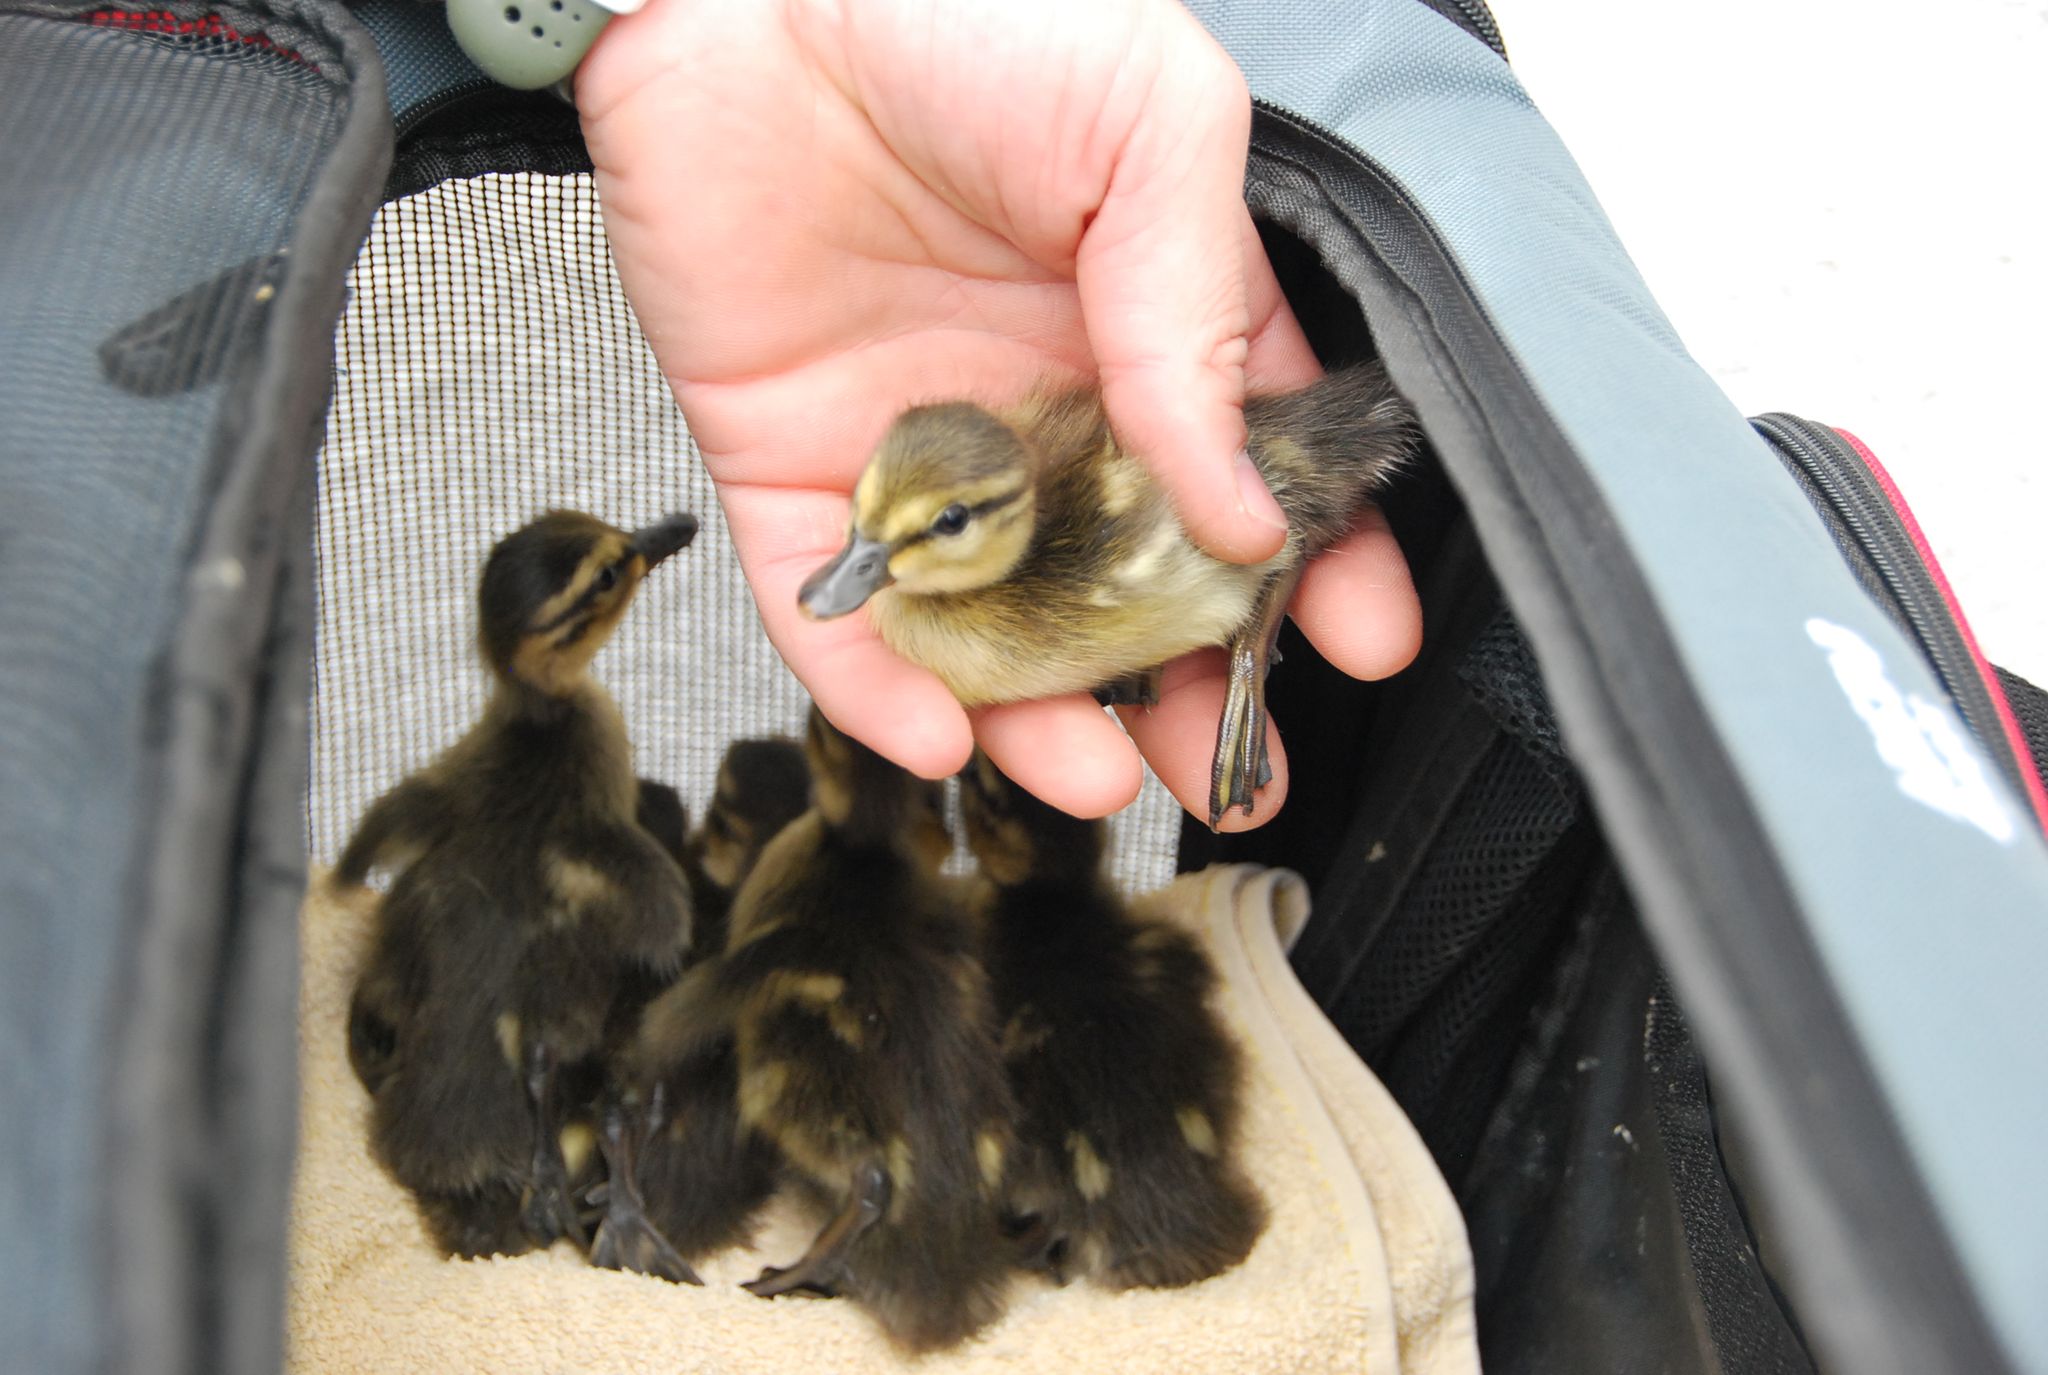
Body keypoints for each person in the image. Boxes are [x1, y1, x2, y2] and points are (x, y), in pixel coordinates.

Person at [576, 0, 1421, 830]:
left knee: (1246, 511)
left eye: (938, 522)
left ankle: (1243, 655)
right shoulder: (987, 576)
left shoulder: (1060, 562)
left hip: (1247, 495)